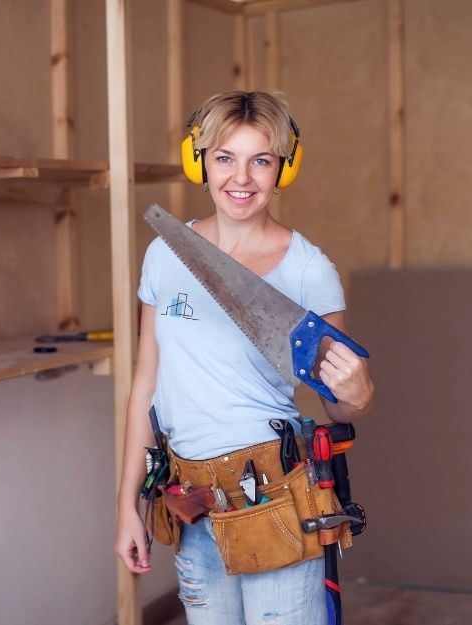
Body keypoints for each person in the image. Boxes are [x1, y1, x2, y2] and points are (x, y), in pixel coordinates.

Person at [114, 91, 375, 625]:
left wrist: (358, 393)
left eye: (261, 160)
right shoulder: (165, 254)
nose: (242, 177)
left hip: (273, 500)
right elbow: (146, 386)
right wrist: (128, 508)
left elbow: (342, 406)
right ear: (200, 162)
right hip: (190, 500)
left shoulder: (308, 271)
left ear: (284, 167)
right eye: (225, 157)